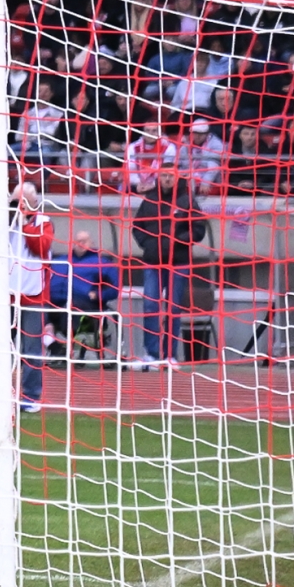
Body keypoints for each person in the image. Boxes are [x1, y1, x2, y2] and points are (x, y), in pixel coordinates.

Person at [130, 168, 206, 370]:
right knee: (150, 307)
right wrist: (148, 244)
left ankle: (170, 355)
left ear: (176, 178)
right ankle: (151, 354)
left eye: (170, 176)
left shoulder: (187, 201)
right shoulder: (149, 200)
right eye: (163, 175)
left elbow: (199, 229)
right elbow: (137, 227)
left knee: (173, 309)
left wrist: (178, 241)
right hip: (152, 262)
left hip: (179, 262)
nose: (166, 179)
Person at [11, 181, 54, 411]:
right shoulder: (3, 221)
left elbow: (41, 247)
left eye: (24, 202)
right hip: (6, 294)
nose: (20, 206)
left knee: (31, 349)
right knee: (1, 347)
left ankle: (31, 396)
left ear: (34, 202)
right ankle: (0, 392)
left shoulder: (43, 222)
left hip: (34, 295)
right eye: (17, 201)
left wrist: (25, 223)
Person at [49, 228, 121, 358]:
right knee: (35, 310)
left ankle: (70, 347)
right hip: (54, 303)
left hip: (86, 305)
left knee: (72, 307)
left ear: (91, 243)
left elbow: (114, 289)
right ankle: (53, 347)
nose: (80, 244)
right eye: (77, 241)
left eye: (84, 241)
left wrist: (98, 295)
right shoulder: (59, 261)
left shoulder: (103, 264)